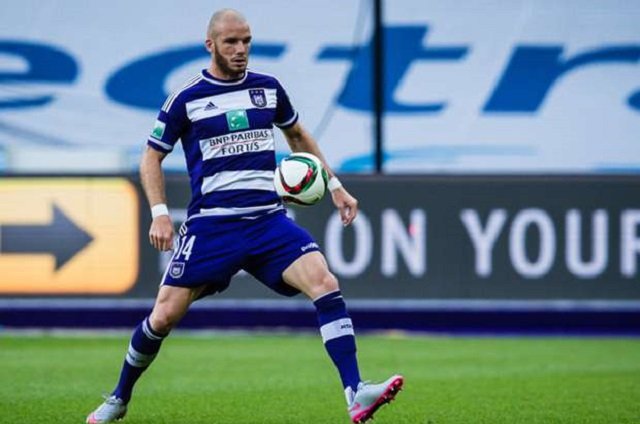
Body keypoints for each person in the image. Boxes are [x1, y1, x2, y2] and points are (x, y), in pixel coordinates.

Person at [86, 8, 403, 424]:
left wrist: (335, 186)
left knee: (324, 282)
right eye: (231, 42)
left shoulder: (268, 89)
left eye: (247, 41)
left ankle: (355, 392)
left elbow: (297, 135)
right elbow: (151, 156)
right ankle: (119, 397)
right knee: (162, 317)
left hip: (268, 221)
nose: (241, 49)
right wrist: (159, 213)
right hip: (213, 225)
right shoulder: (187, 98)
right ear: (210, 45)